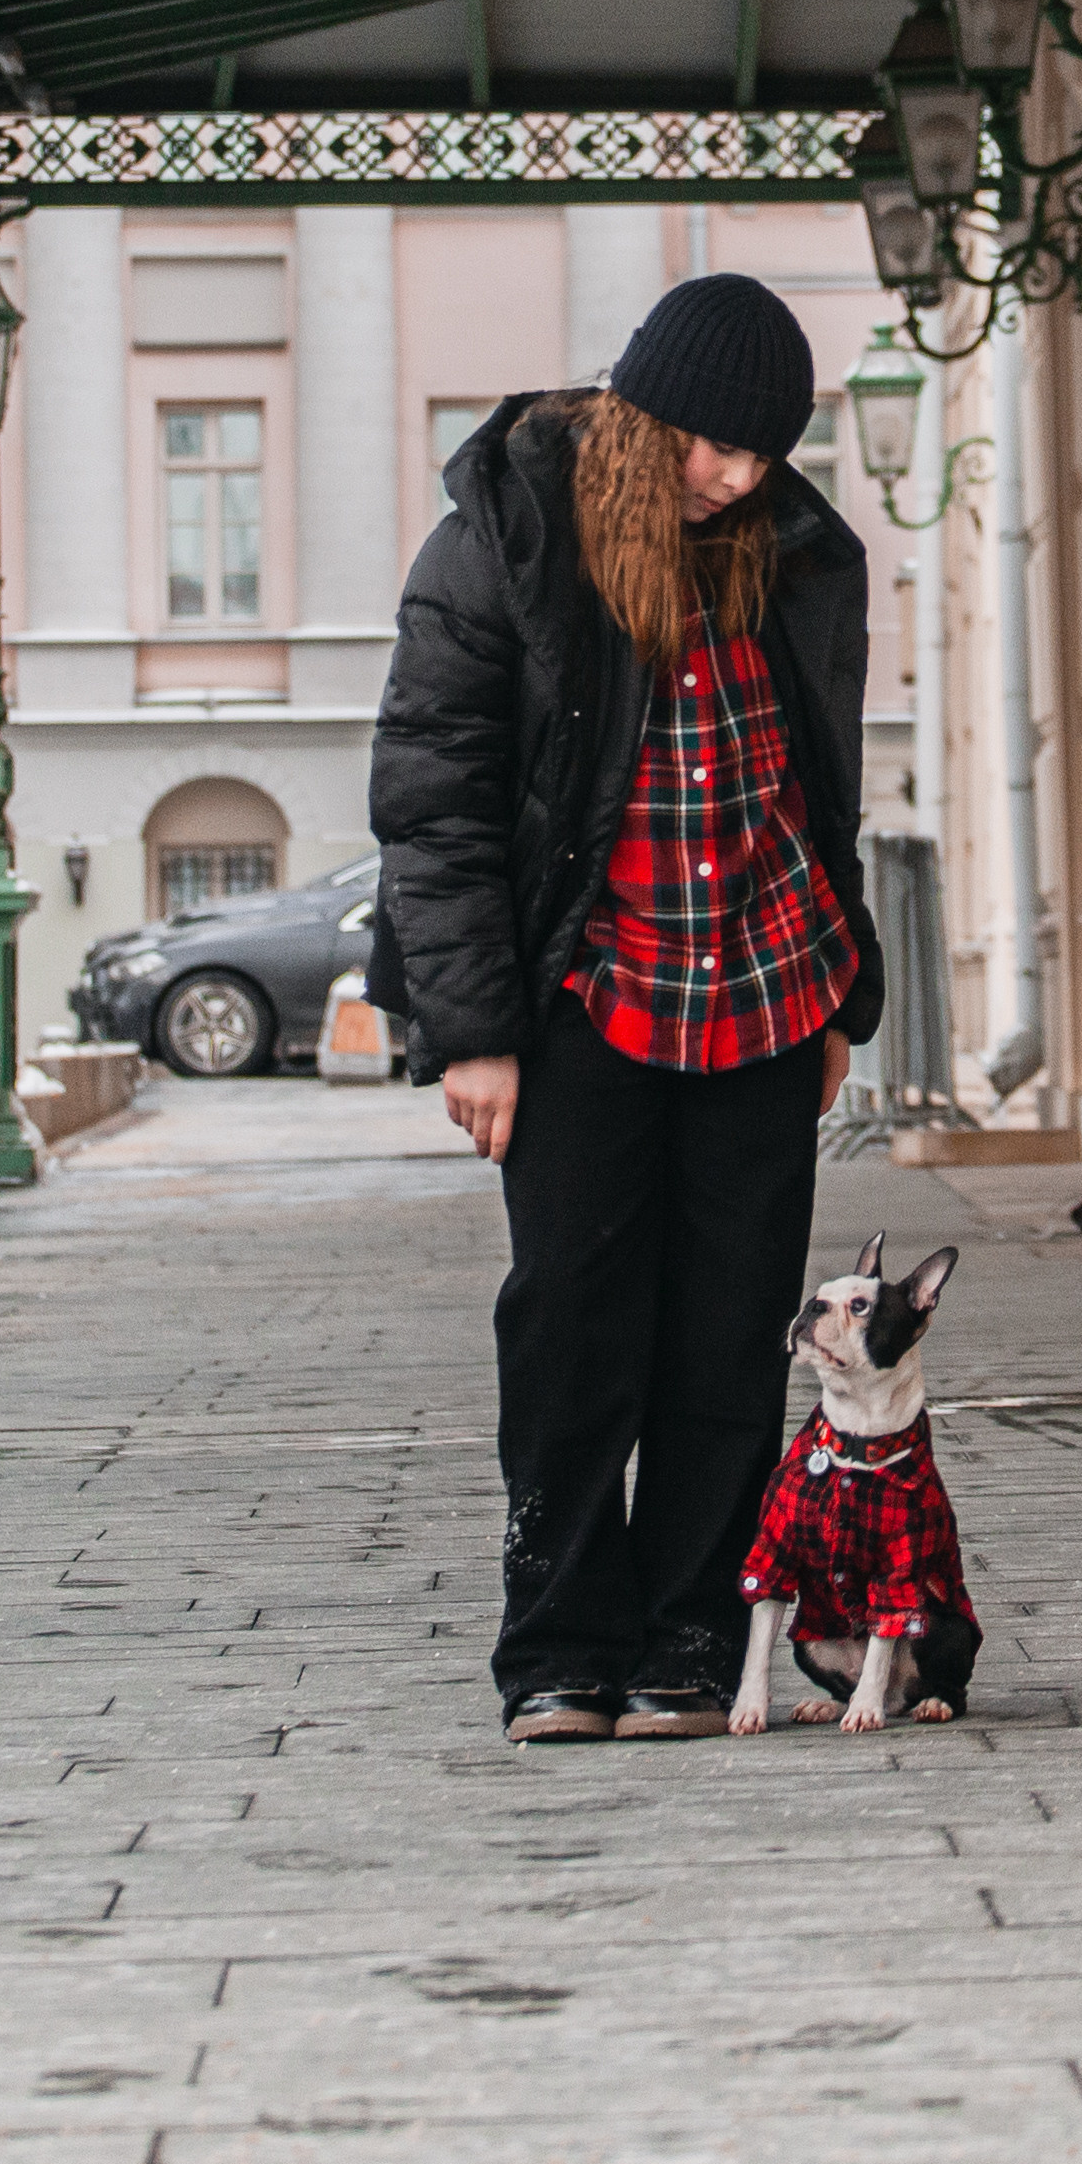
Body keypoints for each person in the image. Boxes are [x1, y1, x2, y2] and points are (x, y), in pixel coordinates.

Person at [366, 271, 885, 1742]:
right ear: (641, 414)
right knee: (573, 1331)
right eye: (710, 443)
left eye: (761, 451)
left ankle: (692, 1642)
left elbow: (819, 790)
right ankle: (557, 1649)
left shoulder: (798, 554)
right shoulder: (506, 539)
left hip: (767, 988)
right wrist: (474, 1030)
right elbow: (435, 799)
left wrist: (841, 991)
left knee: (728, 1337)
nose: (733, 476)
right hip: (587, 996)